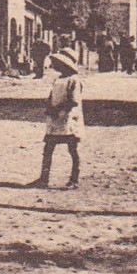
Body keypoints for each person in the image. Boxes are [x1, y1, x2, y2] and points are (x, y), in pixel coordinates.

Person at [30, 47, 85, 188]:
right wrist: (49, 107)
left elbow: (74, 101)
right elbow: (51, 96)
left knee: (72, 149)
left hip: (68, 120)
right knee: (48, 148)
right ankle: (44, 178)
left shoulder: (74, 80)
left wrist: (58, 110)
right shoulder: (58, 79)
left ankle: (74, 179)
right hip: (54, 119)